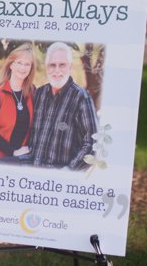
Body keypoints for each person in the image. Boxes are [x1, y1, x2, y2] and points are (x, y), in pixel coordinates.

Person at [29, 42, 98, 171]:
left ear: (70, 67)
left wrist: (69, 171)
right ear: (46, 67)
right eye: (52, 65)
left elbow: (93, 144)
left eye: (62, 65)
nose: (57, 70)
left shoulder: (81, 98)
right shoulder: (39, 94)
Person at [0, 43, 36, 164]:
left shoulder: (32, 92)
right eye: (19, 63)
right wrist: (12, 152)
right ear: (11, 64)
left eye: (27, 64)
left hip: (22, 159)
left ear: (31, 68)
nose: (23, 68)